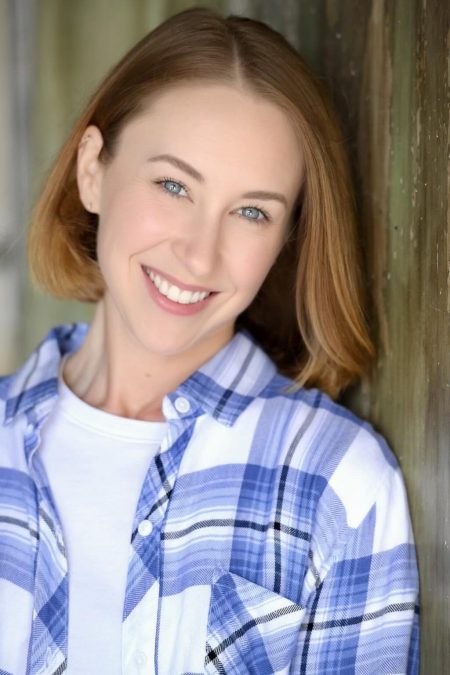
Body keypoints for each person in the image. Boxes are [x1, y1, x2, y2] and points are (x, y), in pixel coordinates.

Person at [0, 6, 419, 675]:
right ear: (93, 171)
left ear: (285, 239)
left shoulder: (337, 485)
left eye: (251, 211)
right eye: (173, 185)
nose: (200, 254)